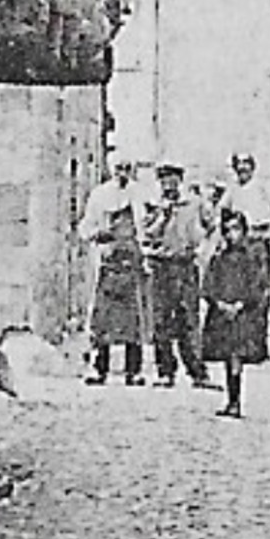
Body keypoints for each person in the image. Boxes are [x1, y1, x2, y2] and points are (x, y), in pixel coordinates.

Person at [77, 159, 152, 386]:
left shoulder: (141, 193)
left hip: (133, 263)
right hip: (108, 263)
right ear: (112, 169)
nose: (123, 173)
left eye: (127, 169)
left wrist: (145, 248)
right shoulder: (100, 195)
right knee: (103, 319)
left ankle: (134, 370)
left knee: (134, 319)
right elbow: (85, 227)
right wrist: (98, 234)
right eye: (119, 168)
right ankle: (100, 368)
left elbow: (149, 227)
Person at [143, 163, 217, 389]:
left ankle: (197, 371)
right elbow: (147, 233)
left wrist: (202, 249)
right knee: (161, 320)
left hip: (185, 266)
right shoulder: (153, 205)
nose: (169, 185)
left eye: (173, 180)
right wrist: (163, 215)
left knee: (188, 319)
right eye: (164, 181)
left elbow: (212, 224)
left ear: (180, 181)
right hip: (161, 265)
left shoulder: (193, 203)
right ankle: (165, 371)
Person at [200, 208, 269, 418]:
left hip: (242, 316)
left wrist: (240, 304)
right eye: (228, 230)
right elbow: (209, 285)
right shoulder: (219, 259)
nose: (232, 235)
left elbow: (257, 286)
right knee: (227, 357)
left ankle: (235, 401)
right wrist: (219, 303)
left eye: (237, 230)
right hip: (222, 315)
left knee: (236, 358)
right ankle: (231, 399)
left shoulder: (251, 259)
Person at [219, 151, 270, 293]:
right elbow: (222, 211)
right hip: (238, 243)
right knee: (238, 285)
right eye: (238, 164)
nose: (242, 167)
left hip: (257, 242)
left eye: (245, 163)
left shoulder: (263, 186)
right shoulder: (233, 189)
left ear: (252, 166)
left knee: (259, 287)